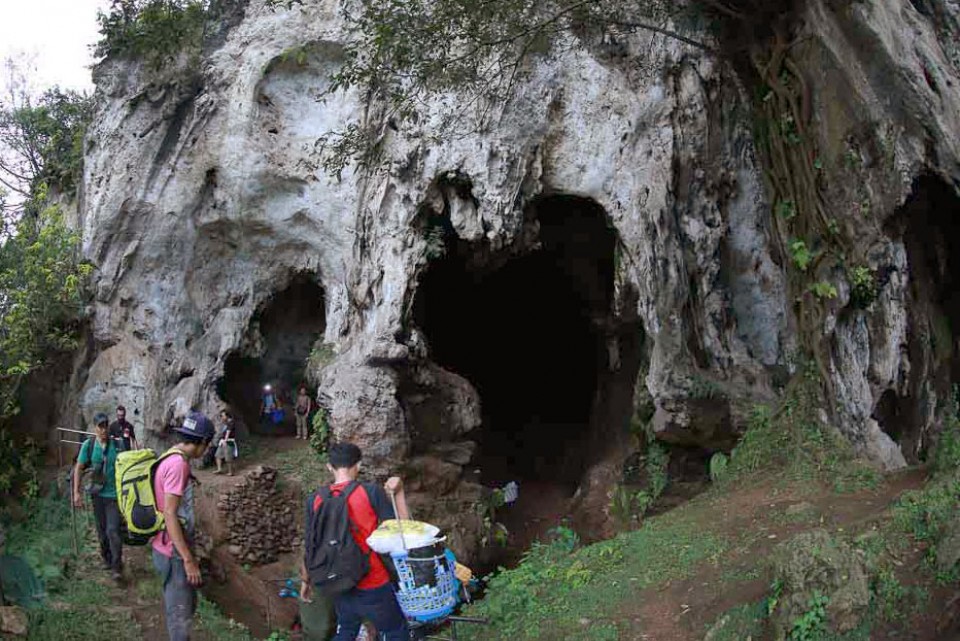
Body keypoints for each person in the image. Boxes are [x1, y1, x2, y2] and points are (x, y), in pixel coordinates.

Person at [300, 443, 411, 641]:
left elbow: (310, 545)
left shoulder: (315, 499)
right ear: (358, 465)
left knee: (347, 630)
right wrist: (399, 492)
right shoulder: (370, 492)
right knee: (396, 632)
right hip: (372, 579)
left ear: (329, 466)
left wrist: (306, 581)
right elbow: (402, 533)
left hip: (335, 580)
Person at [152, 410, 215, 641]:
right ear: (204, 442)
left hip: (165, 546)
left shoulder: (171, 455)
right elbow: (170, 514)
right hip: (173, 552)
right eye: (207, 445)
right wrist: (188, 559)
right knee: (179, 616)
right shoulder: (179, 466)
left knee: (184, 606)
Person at [72, 412, 124, 581]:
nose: (103, 429)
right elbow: (79, 467)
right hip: (97, 495)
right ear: (94, 428)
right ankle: (107, 559)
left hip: (114, 495)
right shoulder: (89, 444)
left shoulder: (117, 445)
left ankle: (117, 567)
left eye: (105, 426)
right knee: (102, 531)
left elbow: (127, 465)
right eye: (100, 426)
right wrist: (76, 492)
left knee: (113, 530)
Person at [214, 410, 237, 475]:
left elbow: (228, 432)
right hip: (223, 441)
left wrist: (225, 440)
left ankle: (230, 472)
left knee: (228, 458)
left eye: (223, 416)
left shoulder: (231, 422)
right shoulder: (226, 423)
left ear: (227, 416)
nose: (222, 417)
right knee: (218, 455)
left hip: (228, 441)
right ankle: (219, 469)